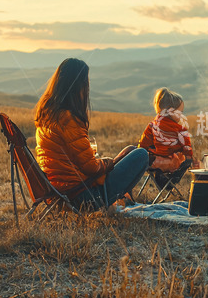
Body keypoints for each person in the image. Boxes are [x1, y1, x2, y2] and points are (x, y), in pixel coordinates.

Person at [35, 58, 148, 208]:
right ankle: (116, 201)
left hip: (62, 189)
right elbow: (90, 168)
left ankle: (124, 201)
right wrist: (107, 163)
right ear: (78, 86)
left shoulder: (48, 116)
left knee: (131, 151)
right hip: (82, 196)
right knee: (141, 155)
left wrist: (105, 163)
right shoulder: (69, 120)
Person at [138, 87, 198, 186]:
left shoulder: (152, 125)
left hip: (150, 164)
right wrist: (191, 161)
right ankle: (164, 180)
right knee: (180, 158)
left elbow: (142, 146)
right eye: (180, 113)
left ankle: (161, 178)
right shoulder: (181, 130)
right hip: (171, 165)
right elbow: (188, 152)